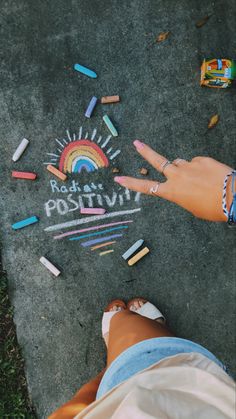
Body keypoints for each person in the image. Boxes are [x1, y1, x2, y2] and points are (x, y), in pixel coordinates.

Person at [49, 142, 235, 419]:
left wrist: (231, 198)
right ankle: (129, 340)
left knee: (106, 374)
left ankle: (118, 347)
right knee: (130, 346)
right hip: (190, 397)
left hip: (143, 399)